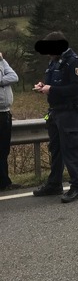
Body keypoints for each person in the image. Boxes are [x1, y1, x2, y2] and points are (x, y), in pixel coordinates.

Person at [32, 31, 78, 203]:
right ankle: (54, 184)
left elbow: (76, 88)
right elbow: (54, 84)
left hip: (70, 112)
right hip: (55, 112)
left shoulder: (74, 63)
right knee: (55, 149)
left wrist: (52, 90)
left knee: (71, 149)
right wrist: (43, 87)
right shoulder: (54, 62)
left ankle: (77, 187)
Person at [0, 52, 19, 191]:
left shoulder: (1, 63)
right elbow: (11, 77)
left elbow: (14, 77)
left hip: (5, 113)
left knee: (4, 150)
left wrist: (2, 60)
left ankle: (4, 182)